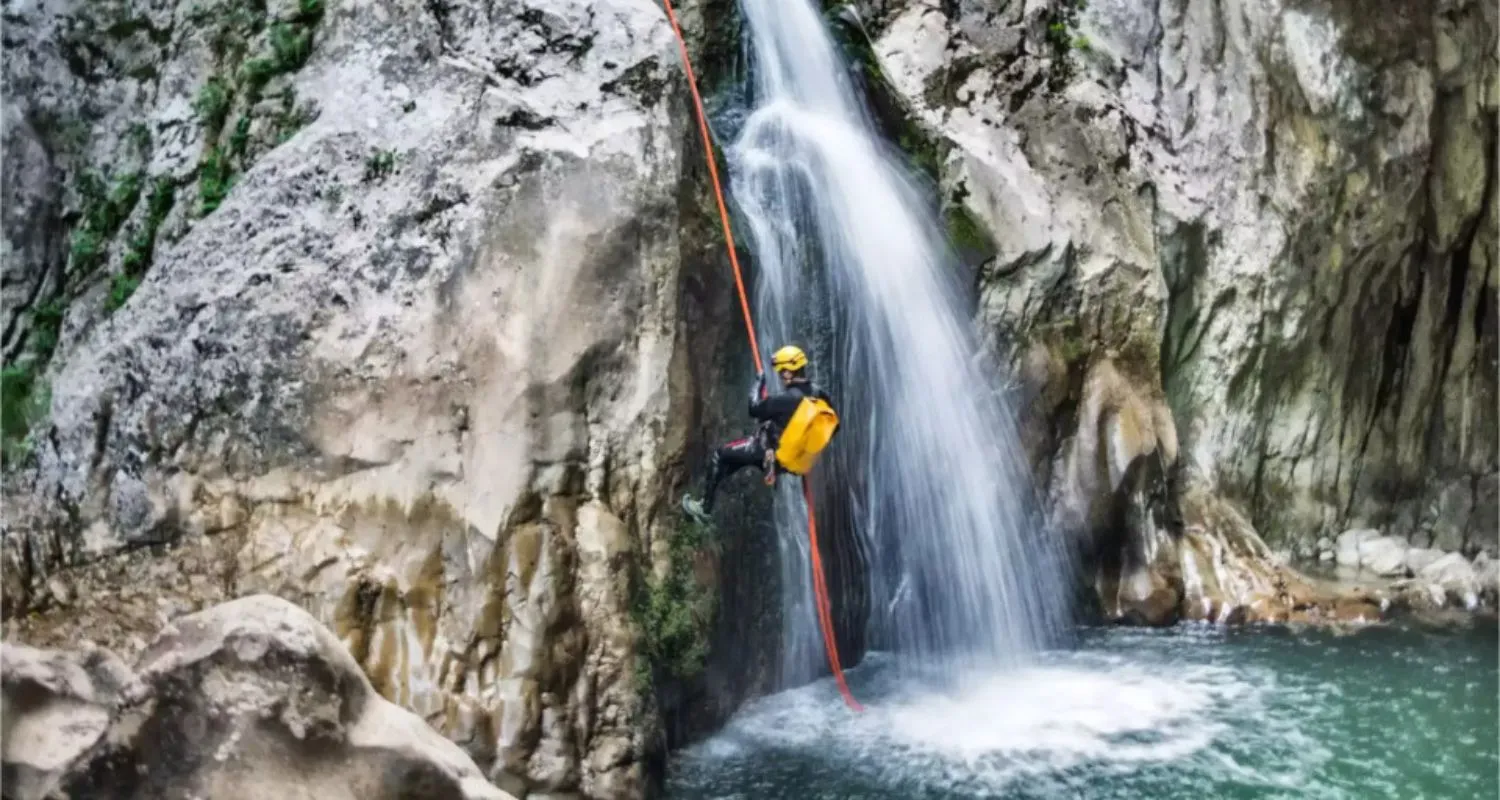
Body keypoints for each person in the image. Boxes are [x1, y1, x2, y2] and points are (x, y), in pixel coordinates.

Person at [681, 345, 837, 525]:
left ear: (788, 373)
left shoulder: (785, 400)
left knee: (720, 456)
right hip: (794, 460)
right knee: (733, 461)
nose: (780, 376)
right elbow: (832, 425)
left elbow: (754, 408)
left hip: (767, 452)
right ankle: (713, 488)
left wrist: (758, 382)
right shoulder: (819, 393)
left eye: (781, 372)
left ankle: (704, 509)